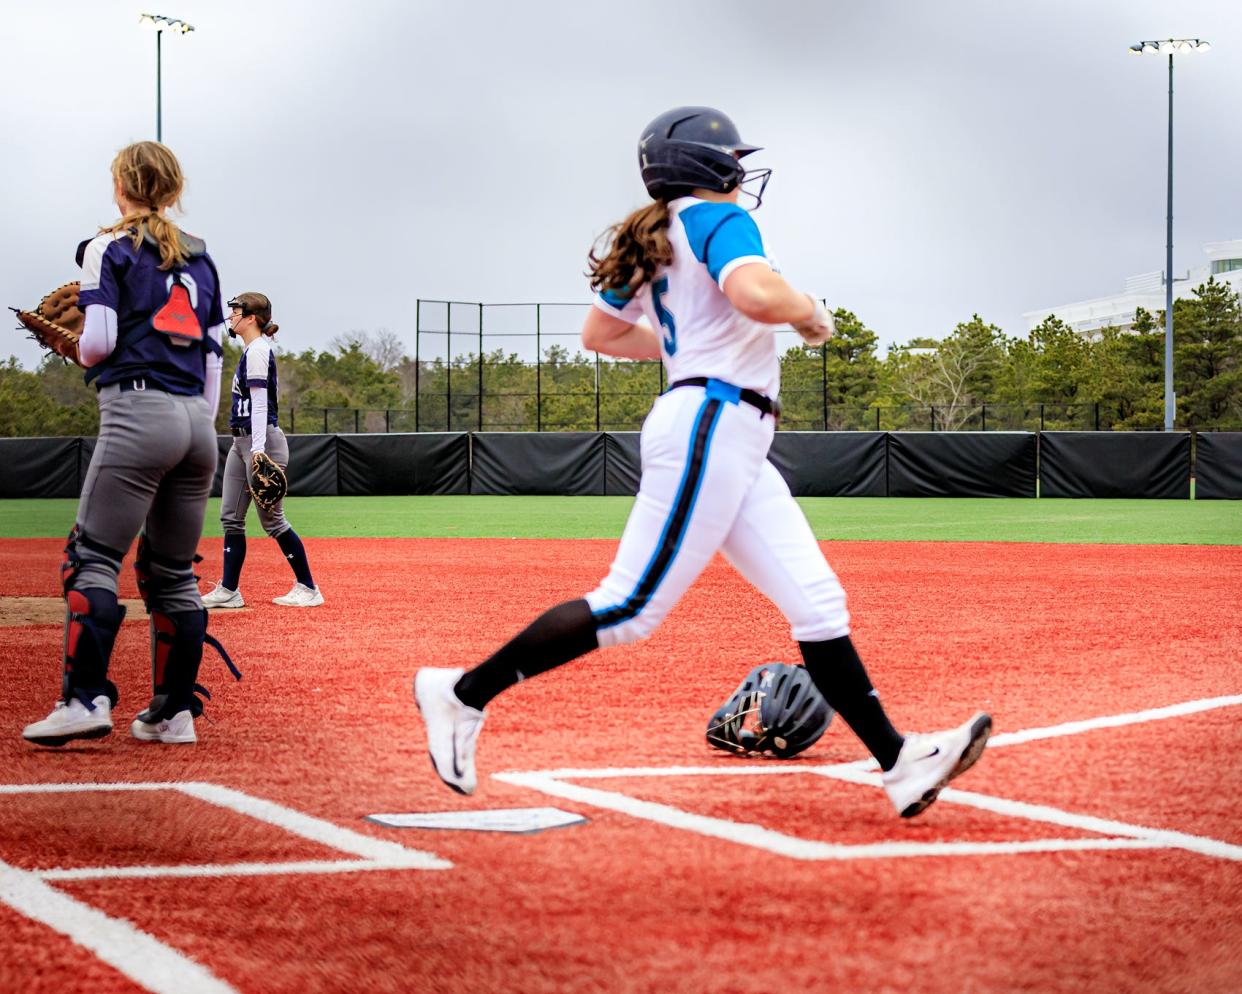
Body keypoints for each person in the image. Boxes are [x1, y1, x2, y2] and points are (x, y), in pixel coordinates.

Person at [414, 106, 991, 817]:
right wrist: (809, 311)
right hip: (713, 421)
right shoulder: (717, 218)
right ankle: (461, 693)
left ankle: (899, 761)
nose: (740, 172)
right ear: (710, 167)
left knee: (817, 603)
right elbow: (753, 292)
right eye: (733, 161)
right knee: (629, 605)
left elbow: (599, 333)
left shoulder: (660, 232)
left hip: (728, 428)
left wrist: (688, 344)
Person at [22, 140, 238, 748]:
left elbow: (98, 342)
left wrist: (76, 346)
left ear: (120, 186)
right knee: (172, 575)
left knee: (89, 560)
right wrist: (199, 417)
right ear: (173, 191)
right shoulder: (202, 258)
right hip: (198, 425)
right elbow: (215, 355)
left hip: (137, 411)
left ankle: (83, 699)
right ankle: (173, 714)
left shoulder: (106, 246)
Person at [201, 292, 323, 609]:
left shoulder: (258, 350)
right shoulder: (249, 350)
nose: (231, 316)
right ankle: (229, 590)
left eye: (236, 311)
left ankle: (308, 587)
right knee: (230, 517)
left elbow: (259, 404)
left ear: (251, 317)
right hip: (241, 441)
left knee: (273, 521)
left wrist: (257, 451)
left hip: (261, 440)